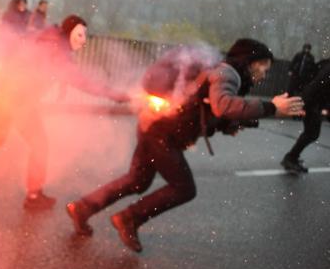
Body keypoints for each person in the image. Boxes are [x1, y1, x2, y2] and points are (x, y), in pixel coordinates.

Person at [66, 38, 304, 252]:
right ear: (252, 61)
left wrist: (224, 126)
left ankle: (83, 208)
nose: (265, 74)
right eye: (264, 67)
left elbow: (207, 108)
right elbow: (223, 105)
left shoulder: (223, 72)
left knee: (137, 180)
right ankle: (129, 218)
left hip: (155, 126)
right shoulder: (228, 73)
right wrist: (271, 107)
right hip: (163, 133)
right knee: (184, 188)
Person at [0, 15, 130, 210]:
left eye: (85, 35)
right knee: (39, 145)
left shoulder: (49, 38)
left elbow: (21, 49)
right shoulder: (58, 50)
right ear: (70, 33)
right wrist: (116, 95)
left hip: (7, 95)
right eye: (80, 35)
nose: (84, 40)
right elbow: (81, 81)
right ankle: (33, 196)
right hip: (19, 100)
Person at [281, 61, 330, 173]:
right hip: (313, 102)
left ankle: (292, 157)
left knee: (311, 133)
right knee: (311, 133)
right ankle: (290, 158)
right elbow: (318, 85)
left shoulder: (326, 64)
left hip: (313, 101)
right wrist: (305, 103)